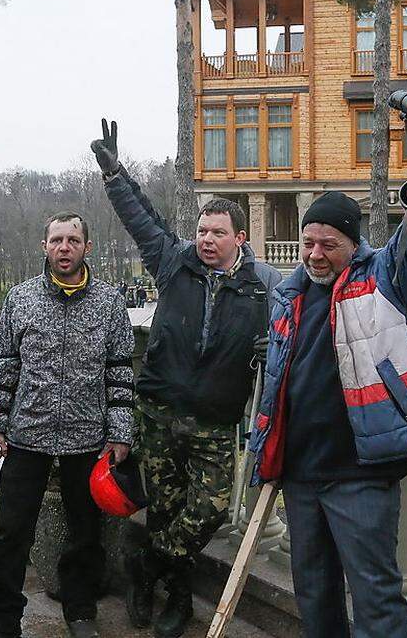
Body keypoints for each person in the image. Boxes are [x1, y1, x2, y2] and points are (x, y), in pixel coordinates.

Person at [247, 116, 407, 638]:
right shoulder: (288, 295)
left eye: (328, 244)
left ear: (353, 244)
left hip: (360, 472)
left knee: (375, 597)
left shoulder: (383, 280)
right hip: (299, 471)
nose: (316, 253)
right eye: (308, 242)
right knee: (314, 595)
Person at [91, 119, 281, 638]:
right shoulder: (175, 264)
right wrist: (115, 175)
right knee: (165, 507)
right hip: (159, 414)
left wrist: (272, 345)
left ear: (240, 238)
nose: (206, 239)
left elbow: (295, 330)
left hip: (214, 423)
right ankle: (174, 595)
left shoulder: (262, 290)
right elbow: (142, 221)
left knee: (213, 508)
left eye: (217, 232)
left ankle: (147, 565)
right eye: (202, 230)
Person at [0, 213, 135, 638]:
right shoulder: (21, 299)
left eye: (73, 240)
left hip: (86, 437)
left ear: (87, 247)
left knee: (85, 532)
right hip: (26, 434)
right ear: (43, 246)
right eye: (56, 240)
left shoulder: (108, 303)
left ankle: (81, 609)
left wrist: (120, 431)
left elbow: (119, 371)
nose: (64, 247)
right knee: (11, 532)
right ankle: (2, 619)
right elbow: (5, 366)